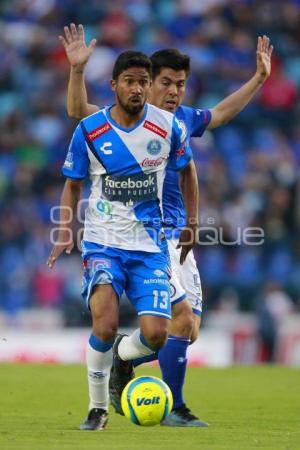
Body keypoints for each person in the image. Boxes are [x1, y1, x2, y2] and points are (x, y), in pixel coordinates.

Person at [59, 24, 273, 427]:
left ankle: (123, 356)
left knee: (189, 331)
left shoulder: (182, 120)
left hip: (176, 235)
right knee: (181, 321)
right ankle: (173, 406)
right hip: (146, 235)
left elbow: (223, 113)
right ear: (147, 83)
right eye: (168, 83)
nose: (175, 92)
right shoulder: (117, 118)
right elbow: (77, 112)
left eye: (181, 85)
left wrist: (259, 78)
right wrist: (76, 73)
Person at [47, 50, 198, 431]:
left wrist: (192, 223)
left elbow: (188, 172)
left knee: (156, 335)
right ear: (114, 85)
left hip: (149, 248)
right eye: (129, 81)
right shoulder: (91, 130)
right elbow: (72, 184)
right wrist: (66, 229)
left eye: (143, 82)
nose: (137, 88)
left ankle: (122, 355)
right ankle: (97, 410)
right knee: (104, 324)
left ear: (149, 88)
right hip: (103, 244)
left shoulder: (167, 127)